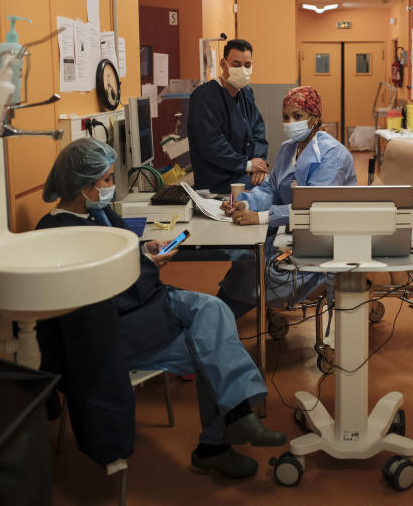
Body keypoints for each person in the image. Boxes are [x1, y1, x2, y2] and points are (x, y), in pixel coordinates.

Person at [35, 137, 286, 479]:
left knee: (214, 315)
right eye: (107, 180)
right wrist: (149, 265)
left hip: (145, 306)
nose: (111, 187)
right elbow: (104, 296)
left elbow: (122, 256)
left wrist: (142, 249)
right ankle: (221, 438)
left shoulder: (98, 212)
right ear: (82, 185)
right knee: (212, 341)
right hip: (112, 329)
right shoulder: (57, 233)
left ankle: (230, 428)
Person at [218, 86, 357, 318]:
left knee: (264, 269)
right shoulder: (287, 150)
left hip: (324, 240)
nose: (290, 122)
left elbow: (315, 209)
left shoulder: (332, 155)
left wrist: (261, 217)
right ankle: (219, 314)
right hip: (291, 231)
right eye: (285, 117)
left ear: (315, 118)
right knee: (247, 257)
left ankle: (219, 318)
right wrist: (245, 203)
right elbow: (270, 188)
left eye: (298, 116)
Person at [187, 39, 269, 194]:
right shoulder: (204, 96)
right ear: (223, 64)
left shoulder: (245, 93)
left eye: (247, 65)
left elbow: (258, 130)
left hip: (244, 173)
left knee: (273, 185)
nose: (242, 70)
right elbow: (211, 144)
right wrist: (248, 165)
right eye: (236, 64)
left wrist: (259, 164)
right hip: (218, 182)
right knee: (268, 189)